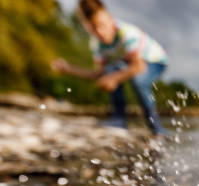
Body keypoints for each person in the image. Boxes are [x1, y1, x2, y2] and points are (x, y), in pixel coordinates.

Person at [52, 0, 168, 135]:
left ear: (110, 20)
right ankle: (119, 120)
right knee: (110, 70)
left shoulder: (127, 34)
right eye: (94, 29)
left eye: (101, 25)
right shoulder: (97, 45)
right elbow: (98, 74)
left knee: (138, 80)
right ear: (88, 28)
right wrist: (68, 69)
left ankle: (156, 127)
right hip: (130, 63)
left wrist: (114, 79)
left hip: (155, 60)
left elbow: (139, 67)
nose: (100, 32)